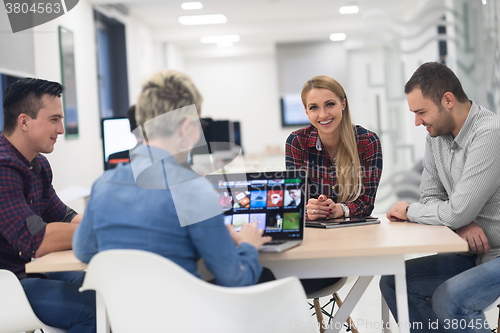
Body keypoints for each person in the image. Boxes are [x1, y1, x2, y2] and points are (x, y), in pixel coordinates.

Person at [73, 69, 273, 287]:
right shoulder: (194, 190)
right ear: (187, 127)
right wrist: (248, 245)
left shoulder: (103, 185)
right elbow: (236, 278)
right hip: (189, 318)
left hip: (124, 319)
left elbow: (84, 251)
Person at [380, 62, 500, 333]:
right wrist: (460, 221)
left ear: (448, 100)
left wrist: (410, 210)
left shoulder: (490, 133)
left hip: (497, 254)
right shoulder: (436, 137)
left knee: (452, 297)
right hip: (469, 253)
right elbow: (432, 197)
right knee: (394, 281)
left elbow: (450, 210)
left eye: (421, 112)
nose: (417, 122)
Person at [0, 78, 95, 332]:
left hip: (25, 272)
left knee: (101, 283)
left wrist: (102, 223)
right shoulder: (3, 167)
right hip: (6, 284)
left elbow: (63, 215)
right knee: (93, 310)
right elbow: (36, 240)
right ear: (24, 121)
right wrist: (100, 231)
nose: (61, 129)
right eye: (54, 119)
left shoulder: (36, 164)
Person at [285, 75, 383, 220]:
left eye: (330, 104)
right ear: (306, 111)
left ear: (343, 104)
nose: (323, 114)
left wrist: (340, 209)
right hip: (315, 232)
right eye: (314, 107)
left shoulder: (367, 142)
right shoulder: (297, 142)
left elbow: (366, 203)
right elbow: (295, 203)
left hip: (354, 233)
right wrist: (311, 209)